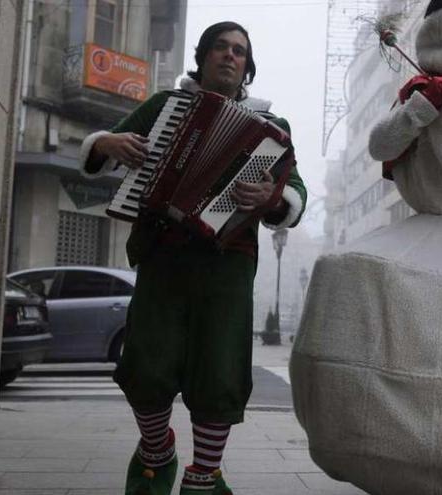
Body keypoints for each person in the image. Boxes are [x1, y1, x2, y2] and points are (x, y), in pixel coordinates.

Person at [78, 21, 306, 495]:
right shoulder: (164, 106)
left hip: (228, 264)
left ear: (247, 66)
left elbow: (294, 193)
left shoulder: (272, 130)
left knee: (220, 371)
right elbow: (106, 144)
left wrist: (272, 196)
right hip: (162, 253)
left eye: (239, 51)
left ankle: (205, 475)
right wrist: (105, 143)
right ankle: (157, 452)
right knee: (145, 365)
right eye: (220, 47)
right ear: (202, 57)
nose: (229, 55)